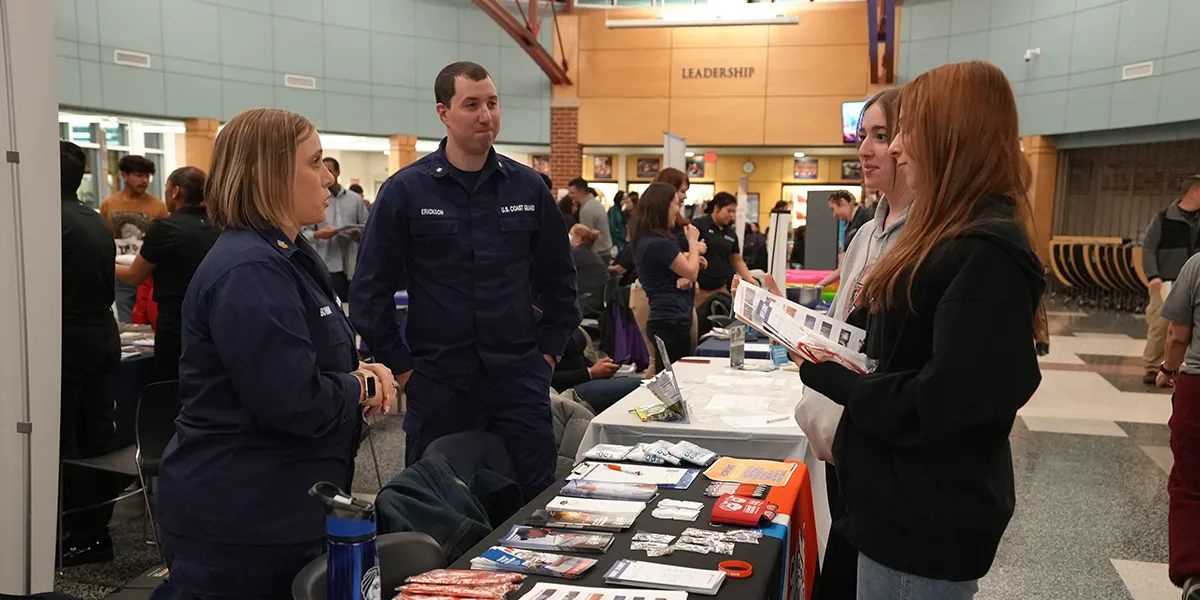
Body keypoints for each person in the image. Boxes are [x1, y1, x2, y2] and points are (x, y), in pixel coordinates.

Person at [797, 61, 1044, 598]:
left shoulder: (982, 251)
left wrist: (845, 383)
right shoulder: (953, 238)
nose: (898, 149)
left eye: (907, 131)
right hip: (898, 502)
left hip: (924, 515)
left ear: (952, 135)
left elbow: (950, 397)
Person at [150, 108, 396, 600]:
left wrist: (352, 373)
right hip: (242, 519)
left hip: (283, 504)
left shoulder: (286, 255)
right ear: (269, 173)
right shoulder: (250, 269)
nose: (328, 178)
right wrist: (360, 384)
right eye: (315, 163)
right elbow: (293, 401)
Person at [351, 61, 579, 501]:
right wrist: (405, 370)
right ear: (443, 112)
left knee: (531, 502)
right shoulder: (406, 191)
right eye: (471, 104)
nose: (485, 115)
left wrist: (547, 355)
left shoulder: (528, 189)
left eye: (492, 103)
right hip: (439, 385)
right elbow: (369, 290)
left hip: (519, 381)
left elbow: (560, 282)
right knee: (439, 505)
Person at [794, 88, 910, 600]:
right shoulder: (866, 232)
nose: (865, 149)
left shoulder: (929, 238)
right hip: (844, 436)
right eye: (864, 135)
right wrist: (788, 317)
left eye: (881, 136)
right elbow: (844, 328)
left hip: (885, 444)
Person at [58, 141, 122, 566]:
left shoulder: (49, 221)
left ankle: (72, 534)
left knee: (65, 441)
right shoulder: (93, 218)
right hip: (101, 335)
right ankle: (94, 533)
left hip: (67, 339)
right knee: (96, 437)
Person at [114, 166, 220, 382]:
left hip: (176, 323)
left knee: (170, 387)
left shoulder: (165, 228)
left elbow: (136, 275)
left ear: (175, 192)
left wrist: (104, 263)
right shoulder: (217, 227)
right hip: (212, 322)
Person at [1155, 252, 1200, 600]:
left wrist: (1168, 370)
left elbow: (1177, 332)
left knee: (1190, 484)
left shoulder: (1197, 265)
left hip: (1197, 389)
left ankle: (1194, 578)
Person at [631, 182, 702, 372]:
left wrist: (686, 267)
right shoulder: (658, 242)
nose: (678, 209)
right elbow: (692, 271)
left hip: (669, 318)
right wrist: (693, 243)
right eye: (676, 204)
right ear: (664, 206)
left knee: (670, 377)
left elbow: (682, 269)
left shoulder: (649, 239)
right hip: (669, 320)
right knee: (672, 381)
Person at [1142, 176, 1200, 384]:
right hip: (1166, 280)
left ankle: (1183, 364)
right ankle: (1152, 366)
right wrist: (1152, 276)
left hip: (1194, 281)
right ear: (1192, 192)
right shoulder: (1164, 218)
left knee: (1190, 326)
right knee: (1161, 324)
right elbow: (1148, 248)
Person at [100, 155, 169, 322]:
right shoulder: (109, 204)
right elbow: (103, 237)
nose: (144, 180)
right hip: (119, 272)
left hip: (147, 271)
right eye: (138, 175)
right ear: (124, 176)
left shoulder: (158, 206)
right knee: (125, 321)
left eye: (147, 176)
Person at [303, 157, 368, 304]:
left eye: (329, 171)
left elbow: (368, 228)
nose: (325, 174)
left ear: (338, 173)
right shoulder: (315, 199)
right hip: (327, 266)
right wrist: (318, 234)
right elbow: (302, 234)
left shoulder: (355, 200)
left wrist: (358, 235)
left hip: (353, 266)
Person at [691, 191, 755, 306]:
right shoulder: (699, 225)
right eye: (729, 211)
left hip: (722, 288)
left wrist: (749, 278)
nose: (732, 215)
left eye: (734, 212)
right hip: (700, 290)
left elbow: (736, 259)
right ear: (716, 208)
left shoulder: (731, 233)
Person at [815, 190, 873, 289]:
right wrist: (818, 285)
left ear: (842, 202)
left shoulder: (866, 216)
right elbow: (842, 267)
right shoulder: (849, 227)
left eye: (833, 209)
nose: (834, 215)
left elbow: (841, 269)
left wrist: (818, 285)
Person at [569, 178, 615, 259]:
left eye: (572, 193)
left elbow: (585, 237)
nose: (570, 196)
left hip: (598, 252)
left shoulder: (587, 209)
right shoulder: (595, 203)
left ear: (582, 191)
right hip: (604, 250)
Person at [571, 224, 610, 318]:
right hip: (595, 302)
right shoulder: (592, 254)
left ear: (578, 238)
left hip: (585, 304)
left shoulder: (576, 254)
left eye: (571, 235)